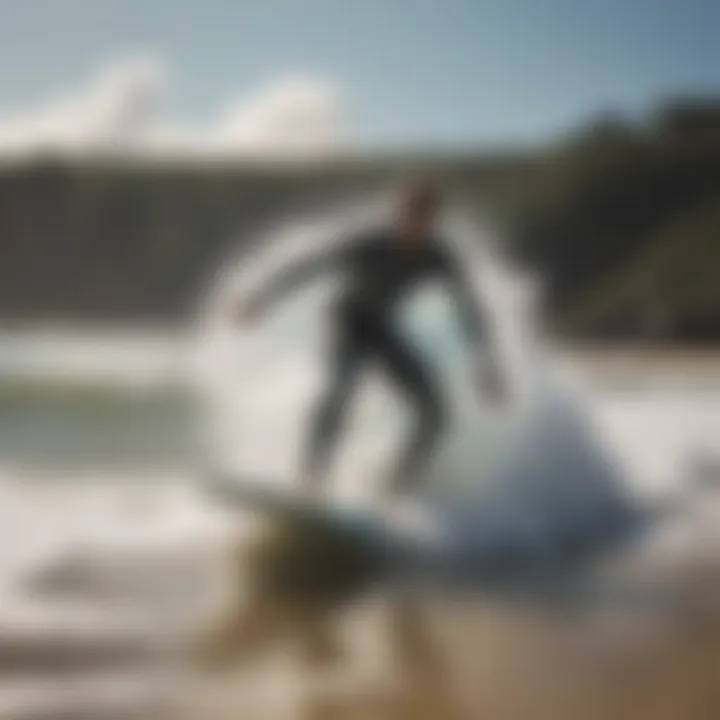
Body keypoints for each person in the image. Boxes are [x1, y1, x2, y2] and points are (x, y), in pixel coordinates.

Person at [236, 177, 508, 499]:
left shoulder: (438, 256)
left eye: (420, 218)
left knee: (435, 413)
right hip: (348, 322)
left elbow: (468, 307)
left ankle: (396, 485)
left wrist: (486, 362)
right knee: (341, 391)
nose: (410, 224)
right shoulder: (369, 244)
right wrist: (263, 297)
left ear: (432, 221)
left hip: (381, 328)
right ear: (396, 214)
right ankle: (312, 476)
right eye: (405, 214)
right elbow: (310, 267)